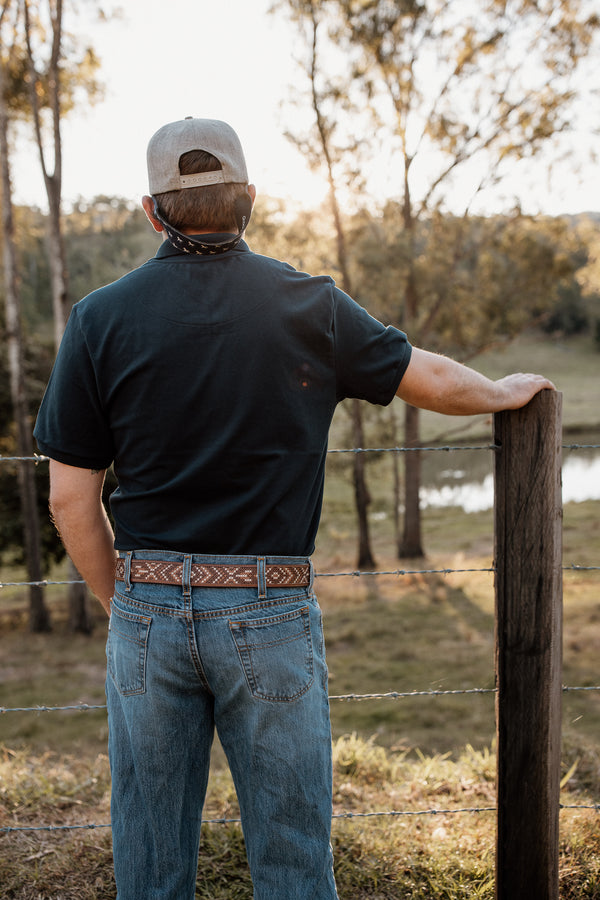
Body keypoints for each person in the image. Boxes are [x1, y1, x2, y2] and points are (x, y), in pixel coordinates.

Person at [33, 117, 555, 900]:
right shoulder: (306, 303)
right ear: (250, 198)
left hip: (148, 610)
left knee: (149, 859)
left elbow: (70, 497)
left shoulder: (99, 319)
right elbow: (434, 382)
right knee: (292, 858)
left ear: (151, 212)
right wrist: (504, 392)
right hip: (268, 609)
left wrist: (129, 601)